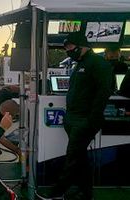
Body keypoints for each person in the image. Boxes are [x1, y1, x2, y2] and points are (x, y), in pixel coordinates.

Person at [36, 32, 113, 200]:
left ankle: (58, 191)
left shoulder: (98, 64)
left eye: (69, 47)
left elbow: (104, 92)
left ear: (81, 45)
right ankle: (86, 192)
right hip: (73, 118)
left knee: (72, 156)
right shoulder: (78, 64)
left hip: (85, 120)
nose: (68, 51)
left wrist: (92, 119)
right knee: (80, 157)